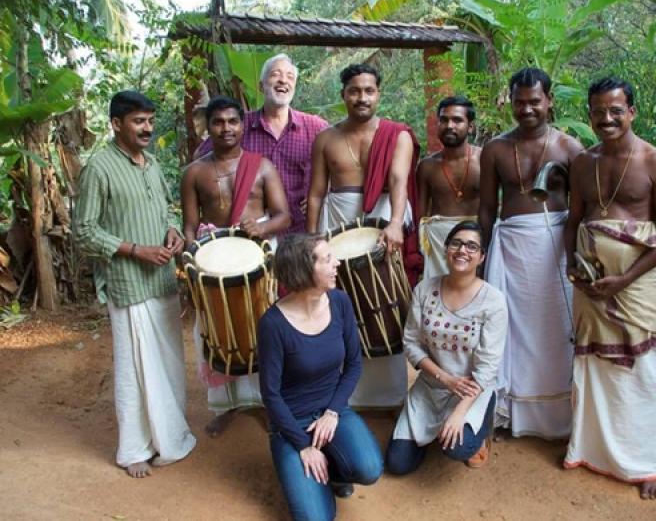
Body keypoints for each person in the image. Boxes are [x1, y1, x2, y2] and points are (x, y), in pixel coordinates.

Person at [563, 78, 656, 499]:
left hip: (635, 284)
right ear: (590, 114)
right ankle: (591, 448)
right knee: (594, 365)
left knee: (645, 366)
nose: (607, 118)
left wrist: (626, 279)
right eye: (598, 111)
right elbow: (573, 221)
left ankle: (649, 463)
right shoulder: (583, 162)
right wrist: (571, 264)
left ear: (632, 112)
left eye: (616, 110)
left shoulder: (655, 161)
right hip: (590, 282)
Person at [74, 91, 196, 478]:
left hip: (161, 280)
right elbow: (83, 232)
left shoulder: (153, 164)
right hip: (127, 283)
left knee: (169, 364)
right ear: (116, 124)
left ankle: (169, 437)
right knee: (134, 368)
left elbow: (164, 212)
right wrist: (135, 250)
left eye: (150, 120)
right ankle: (134, 449)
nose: (147, 128)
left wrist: (172, 231)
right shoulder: (99, 168)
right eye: (138, 121)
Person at [306, 63, 422, 409]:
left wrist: (396, 222)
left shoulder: (396, 134)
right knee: (342, 302)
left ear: (378, 94)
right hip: (337, 219)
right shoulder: (326, 138)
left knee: (384, 297)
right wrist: (312, 239)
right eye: (354, 91)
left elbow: (399, 180)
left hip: (382, 219)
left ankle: (391, 395)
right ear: (343, 94)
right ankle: (347, 394)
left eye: (369, 90)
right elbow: (316, 193)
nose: (362, 97)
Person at [479, 67, 584, 440]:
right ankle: (511, 414)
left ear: (549, 101)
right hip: (509, 247)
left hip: (556, 248)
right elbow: (486, 208)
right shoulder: (495, 149)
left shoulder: (569, 148)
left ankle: (561, 418)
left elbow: (581, 209)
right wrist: (480, 255)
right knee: (510, 331)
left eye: (534, 101)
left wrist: (577, 254)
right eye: (519, 102)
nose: (526, 109)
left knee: (556, 329)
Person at [181, 95, 291, 437]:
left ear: (243, 126)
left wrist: (262, 227)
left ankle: (269, 402)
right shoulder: (194, 172)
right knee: (216, 329)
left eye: (232, 121)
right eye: (218, 122)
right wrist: (193, 264)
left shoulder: (262, 166)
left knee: (264, 329)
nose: (225, 128)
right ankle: (226, 406)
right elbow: (189, 226)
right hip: (213, 263)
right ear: (208, 127)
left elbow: (284, 216)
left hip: (256, 258)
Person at [258, 233, 383, 520]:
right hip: (291, 424)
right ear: (303, 270)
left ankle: (334, 471)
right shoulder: (273, 324)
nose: (336, 263)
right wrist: (303, 445)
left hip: (332, 413)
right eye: (327, 259)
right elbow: (271, 395)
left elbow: (353, 364)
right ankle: (312, 472)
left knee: (369, 468)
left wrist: (333, 412)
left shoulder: (339, 302)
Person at [385, 221, 508, 474]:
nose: (463, 250)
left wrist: (459, 412)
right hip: (432, 385)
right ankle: (431, 430)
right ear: (446, 249)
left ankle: (479, 431)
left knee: (457, 448)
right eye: (456, 243)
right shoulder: (424, 289)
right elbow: (411, 343)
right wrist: (445, 378)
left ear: (482, 257)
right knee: (398, 464)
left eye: (472, 246)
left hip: (471, 390)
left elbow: (487, 367)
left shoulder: (494, 301)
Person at [195, 54, 328, 235]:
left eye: (290, 77)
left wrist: (326, 193)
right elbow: (201, 157)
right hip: (254, 235)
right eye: (275, 74)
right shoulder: (239, 126)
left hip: (302, 231)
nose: (283, 80)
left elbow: (339, 163)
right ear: (260, 86)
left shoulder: (315, 128)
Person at [416, 96, 482, 279]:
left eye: (457, 120)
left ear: (470, 126)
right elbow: (419, 214)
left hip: (476, 241)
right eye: (443, 120)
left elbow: (493, 207)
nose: (449, 126)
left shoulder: (483, 160)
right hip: (438, 244)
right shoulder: (427, 166)